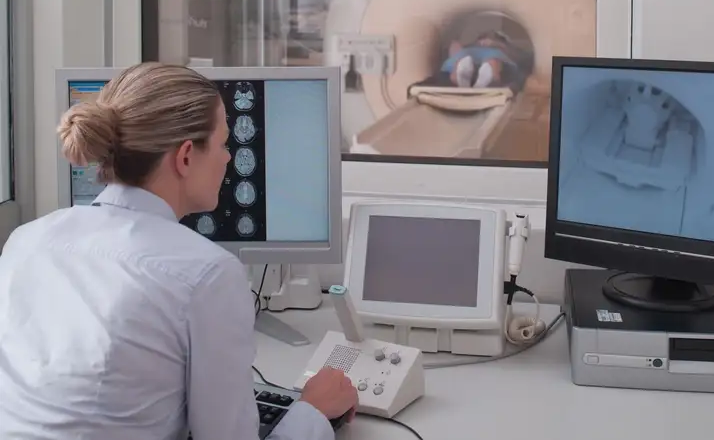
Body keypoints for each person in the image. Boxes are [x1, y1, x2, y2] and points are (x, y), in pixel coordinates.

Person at [0, 62, 358, 440]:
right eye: (222, 144)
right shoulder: (206, 273)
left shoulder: (27, 239)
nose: (227, 158)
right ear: (185, 156)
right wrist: (313, 411)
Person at [440, 32, 519, 88]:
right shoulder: (469, 49)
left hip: (494, 64)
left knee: (492, 62)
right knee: (463, 61)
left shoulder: (500, 50)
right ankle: (461, 77)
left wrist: (496, 44)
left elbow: (514, 53)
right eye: (483, 37)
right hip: (467, 63)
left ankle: (486, 80)